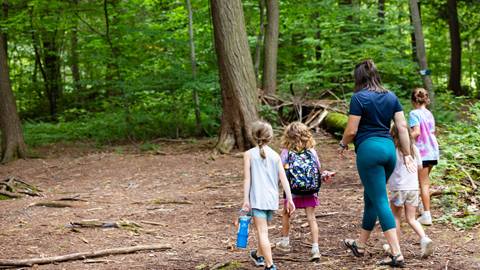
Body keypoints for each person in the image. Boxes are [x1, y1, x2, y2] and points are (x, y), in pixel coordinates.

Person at [338, 59, 416, 267]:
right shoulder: (391, 96)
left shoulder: (358, 97)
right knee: (371, 197)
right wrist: (407, 153)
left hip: (369, 151)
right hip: (389, 151)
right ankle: (360, 245)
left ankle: (396, 253)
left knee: (380, 199)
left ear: (359, 77)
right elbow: (401, 126)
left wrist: (343, 144)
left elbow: (352, 130)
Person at [275, 122, 335, 262]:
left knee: (286, 214)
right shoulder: (312, 152)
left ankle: (285, 242)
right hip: (310, 189)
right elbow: (317, 169)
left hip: (292, 191)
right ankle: (315, 248)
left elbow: (280, 171)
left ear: (288, 137)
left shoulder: (285, 152)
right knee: (311, 218)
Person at [242, 121, 296, 270]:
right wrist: (289, 199)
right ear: (270, 137)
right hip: (272, 199)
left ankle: (270, 265)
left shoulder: (248, 155)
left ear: (253, 136)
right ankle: (258, 255)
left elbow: (247, 179)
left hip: (257, 199)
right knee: (263, 231)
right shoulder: (275, 155)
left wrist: (246, 200)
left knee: (262, 232)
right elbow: (284, 178)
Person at [387, 124, 434, 258]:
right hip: (413, 188)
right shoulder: (414, 149)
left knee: (396, 217)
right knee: (411, 218)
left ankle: (395, 247)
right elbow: (419, 167)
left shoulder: (392, 149)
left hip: (398, 188)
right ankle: (424, 238)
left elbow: (388, 168)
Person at [409, 88, 439, 226]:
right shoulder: (429, 114)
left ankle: (427, 215)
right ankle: (422, 208)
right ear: (426, 99)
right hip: (433, 150)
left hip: (422, 152)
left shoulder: (414, 113)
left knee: (423, 184)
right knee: (424, 182)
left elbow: (416, 132)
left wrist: (401, 138)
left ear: (413, 100)